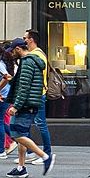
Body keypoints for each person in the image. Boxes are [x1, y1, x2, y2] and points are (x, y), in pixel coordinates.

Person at [5, 37, 53, 178]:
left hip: (25, 104)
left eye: (13, 51)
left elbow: (24, 87)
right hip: (29, 103)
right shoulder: (31, 61)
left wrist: (16, 106)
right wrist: (12, 81)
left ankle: (45, 156)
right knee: (21, 134)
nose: (11, 54)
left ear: (18, 49)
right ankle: (21, 168)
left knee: (17, 134)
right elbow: (24, 83)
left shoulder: (27, 62)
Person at [23, 29, 53, 166]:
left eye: (25, 38)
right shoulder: (39, 54)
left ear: (31, 40)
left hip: (37, 94)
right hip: (38, 94)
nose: (24, 40)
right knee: (28, 124)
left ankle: (46, 153)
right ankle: (30, 152)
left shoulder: (35, 55)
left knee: (40, 124)